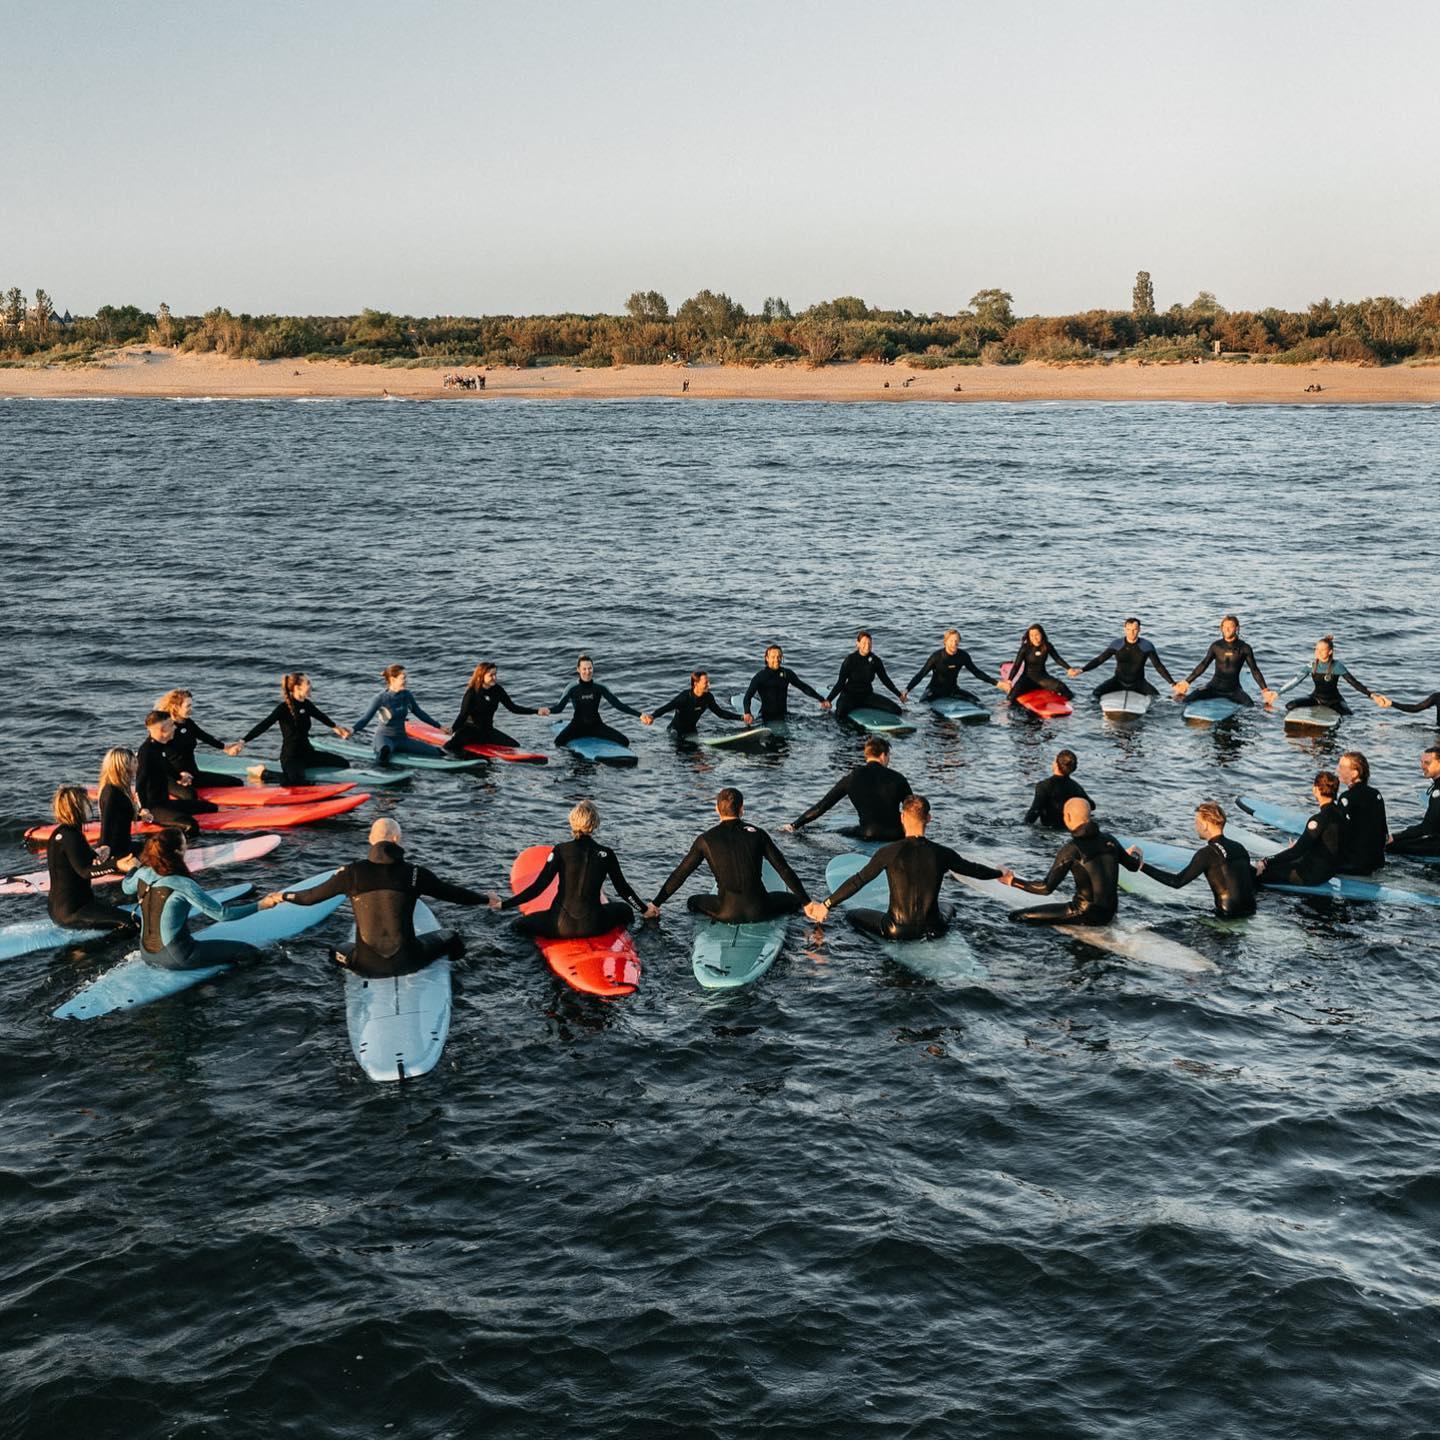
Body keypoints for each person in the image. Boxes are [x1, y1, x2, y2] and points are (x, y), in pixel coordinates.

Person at [263, 818, 485, 977]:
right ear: (397, 839)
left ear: (371, 840)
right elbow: (455, 894)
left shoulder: (350, 873)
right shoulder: (415, 873)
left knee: (335, 950)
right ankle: (458, 976)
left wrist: (281, 896)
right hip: (410, 961)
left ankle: (341, 984)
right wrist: (488, 899)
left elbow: (310, 897)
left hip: (365, 966)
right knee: (451, 937)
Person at [804, 794, 1010, 941]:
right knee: (949, 907)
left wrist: (826, 904)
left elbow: (859, 880)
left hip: (896, 929)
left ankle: (817, 939)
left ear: (902, 817)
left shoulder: (888, 852)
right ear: (929, 819)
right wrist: (1000, 873)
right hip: (934, 928)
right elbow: (974, 870)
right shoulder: (942, 853)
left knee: (851, 915)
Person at [490, 800, 656, 936]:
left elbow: (538, 888)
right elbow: (623, 889)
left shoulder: (560, 851)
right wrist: (644, 909)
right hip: (595, 925)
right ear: (595, 823)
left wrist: (504, 904)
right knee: (625, 910)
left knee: (516, 926)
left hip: (559, 926)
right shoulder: (607, 854)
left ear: (572, 822)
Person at [651, 787, 809, 922]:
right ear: (742, 809)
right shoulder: (759, 834)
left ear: (717, 809)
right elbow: (784, 870)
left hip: (725, 912)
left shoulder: (704, 840)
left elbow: (680, 874)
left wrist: (656, 903)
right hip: (760, 910)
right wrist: (808, 903)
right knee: (795, 901)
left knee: (692, 902)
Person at [122, 829, 261, 969]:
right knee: (248, 952)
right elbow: (223, 915)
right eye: (185, 843)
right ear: (178, 851)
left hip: (146, 954)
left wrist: (133, 868)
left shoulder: (141, 873)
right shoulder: (183, 884)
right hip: (177, 957)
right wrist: (261, 905)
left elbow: (126, 887)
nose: (187, 846)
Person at [1002, 797, 1139, 925]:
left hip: (1085, 913)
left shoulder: (1072, 849)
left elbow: (1046, 888)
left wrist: (1012, 881)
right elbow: (1133, 866)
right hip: (1110, 913)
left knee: (1016, 916)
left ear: (1067, 816)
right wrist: (1136, 853)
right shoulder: (1110, 840)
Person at [1127, 802, 1256, 918]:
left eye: (1197, 822)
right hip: (1250, 912)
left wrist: (1141, 865)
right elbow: (1249, 877)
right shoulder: (1239, 847)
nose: (1196, 827)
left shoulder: (1207, 853)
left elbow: (1177, 881)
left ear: (1205, 825)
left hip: (1227, 916)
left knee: (1163, 908)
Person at [44, 784, 138, 935]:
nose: (90, 807)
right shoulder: (71, 836)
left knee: (116, 903)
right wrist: (116, 865)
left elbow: (76, 861)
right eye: (86, 803)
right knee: (133, 923)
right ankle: (114, 950)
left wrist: (98, 854)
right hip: (74, 910)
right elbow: (84, 872)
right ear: (76, 808)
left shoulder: (61, 833)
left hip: (60, 907)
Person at [783, 735, 913, 842]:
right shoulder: (898, 778)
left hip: (868, 833)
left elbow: (822, 806)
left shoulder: (852, 778)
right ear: (884, 755)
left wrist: (795, 825)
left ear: (867, 755)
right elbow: (914, 809)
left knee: (832, 831)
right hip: (896, 834)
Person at [242, 672, 354, 784]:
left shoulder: (307, 704)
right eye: (308, 683)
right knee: (295, 782)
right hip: (291, 757)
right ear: (297, 687)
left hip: (308, 754)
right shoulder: (283, 708)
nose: (311, 686)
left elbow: (321, 717)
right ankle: (262, 772)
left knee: (343, 763)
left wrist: (337, 728)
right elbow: (264, 725)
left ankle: (303, 775)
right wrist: (243, 741)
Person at [136, 710, 217, 837]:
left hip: (166, 803)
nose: (175, 728)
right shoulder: (146, 752)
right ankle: (190, 847)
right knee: (191, 825)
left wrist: (180, 777)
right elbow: (139, 783)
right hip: (153, 808)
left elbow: (166, 768)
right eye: (171, 725)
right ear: (162, 730)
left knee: (211, 808)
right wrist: (143, 809)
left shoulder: (161, 747)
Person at [1256, 772, 1344, 887]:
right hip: (1330, 871)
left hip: (1310, 875)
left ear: (1316, 789)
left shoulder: (1318, 819)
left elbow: (1296, 852)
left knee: (1260, 872)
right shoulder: (1340, 813)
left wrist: (1266, 860)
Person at [352, 664, 449, 766]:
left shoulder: (406, 695)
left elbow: (420, 713)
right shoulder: (380, 698)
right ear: (392, 679)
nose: (406, 681)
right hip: (385, 739)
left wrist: (440, 727)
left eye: (405, 678)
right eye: (403, 678)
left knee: (439, 753)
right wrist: (352, 730)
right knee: (384, 755)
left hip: (402, 739)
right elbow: (365, 719)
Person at [1172, 615, 1278, 706]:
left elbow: (1254, 670)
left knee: (1251, 706)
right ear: (1221, 628)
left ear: (1236, 628)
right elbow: (1203, 664)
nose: (1227, 629)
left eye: (1230, 626)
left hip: (1233, 690)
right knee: (1186, 700)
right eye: (1224, 626)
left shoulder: (1244, 648)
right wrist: (1187, 682)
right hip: (1213, 687)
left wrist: (1265, 691)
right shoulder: (1216, 646)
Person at [154, 689, 244, 791]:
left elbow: (205, 737)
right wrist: (177, 776)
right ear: (176, 707)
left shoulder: (188, 723)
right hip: (176, 778)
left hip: (194, 775)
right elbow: (157, 754)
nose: (191, 709)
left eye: (191, 705)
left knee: (237, 782)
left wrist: (225, 747)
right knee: (191, 795)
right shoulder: (167, 727)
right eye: (188, 706)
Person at [447, 662, 549, 752]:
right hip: (470, 730)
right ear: (481, 676)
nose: (495, 678)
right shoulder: (472, 693)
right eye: (491, 675)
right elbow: (463, 715)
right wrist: (453, 729)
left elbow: (513, 708)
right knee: (449, 748)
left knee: (515, 746)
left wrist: (536, 711)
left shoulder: (497, 690)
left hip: (487, 731)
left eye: (495, 674)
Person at [551, 655, 644, 749]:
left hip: (596, 726)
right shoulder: (572, 688)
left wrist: (640, 715)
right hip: (576, 727)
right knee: (558, 742)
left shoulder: (599, 687)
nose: (587, 672)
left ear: (593, 668)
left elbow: (618, 704)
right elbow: (559, 708)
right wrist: (546, 710)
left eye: (590, 668)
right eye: (584, 669)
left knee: (625, 741)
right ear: (578, 669)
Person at [1068, 618, 1176, 698]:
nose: (1131, 633)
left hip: (1139, 683)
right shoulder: (1117, 644)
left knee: (1157, 698)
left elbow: (1158, 666)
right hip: (1118, 681)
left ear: (1139, 629)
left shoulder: (1146, 646)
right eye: (1129, 629)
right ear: (1124, 629)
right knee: (1096, 694)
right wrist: (1082, 670)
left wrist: (1172, 684)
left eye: (1134, 629)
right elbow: (1100, 659)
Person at [1276, 636, 1384, 714]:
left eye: (1322, 650)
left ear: (1330, 652)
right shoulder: (1311, 666)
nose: (1318, 652)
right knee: (1290, 706)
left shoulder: (1337, 666)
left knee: (1348, 714)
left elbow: (1354, 683)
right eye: (1316, 649)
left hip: (1334, 700)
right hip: (1316, 698)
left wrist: (1372, 695)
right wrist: (1277, 693)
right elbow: (1295, 681)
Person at [741, 644, 830, 725]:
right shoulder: (760, 677)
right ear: (767, 658)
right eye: (773, 657)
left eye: (779, 657)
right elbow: (748, 697)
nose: (776, 659)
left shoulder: (786, 674)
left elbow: (803, 687)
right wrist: (747, 713)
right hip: (766, 717)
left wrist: (821, 699)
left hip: (784, 715)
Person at [826, 630, 905, 719]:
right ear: (858, 644)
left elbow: (885, 680)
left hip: (867, 696)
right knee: (839, 714)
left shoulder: (875, 661)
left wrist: (899, 695)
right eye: (864, 643)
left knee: (896, 710)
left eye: (869, 643)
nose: (867, 646)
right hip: (849, 696)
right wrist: (829, 700)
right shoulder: (850, 660)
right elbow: (840, 683)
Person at [905, 629, 996, 703]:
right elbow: (921, 674)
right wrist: (906, 690)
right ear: (945, 642)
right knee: (923, 704)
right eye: (951, 640)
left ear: (959, 641)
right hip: (934, 691)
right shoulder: (936, 657)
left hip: (952, 690)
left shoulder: (963, 656)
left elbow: (977, 673)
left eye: (956, 640)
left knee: (976, 701)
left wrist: (997, 683)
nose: (954, 643)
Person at [642, 670, 745, 736]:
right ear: (696, 684)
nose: (709, 684)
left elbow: (720, 713)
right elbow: (666, 708)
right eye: (706, 683)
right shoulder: (684, 697)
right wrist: (652, 716)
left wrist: (741, 717)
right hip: (675, 732)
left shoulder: (708, 697)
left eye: (709, 682)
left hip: (692, 731)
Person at [1335, 751, 1387, 873]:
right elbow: (1383, 831)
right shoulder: (1376, 794)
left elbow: (1338, 833)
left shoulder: (1346, 797)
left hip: (1352, 864)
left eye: (1341, 767)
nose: (1337, 770)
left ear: (1354, 773)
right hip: (1377, 862)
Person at [96, 746, 146, 866]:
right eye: (134, 762)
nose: (138, 765)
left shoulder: (120, 788)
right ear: (124, 766)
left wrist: (140, 816)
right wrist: (105, 846)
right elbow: (107, 821)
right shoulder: (111, 792)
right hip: (117, 850)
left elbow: (121, 815)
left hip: (125, 845)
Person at [1000, 624, 1074, 705]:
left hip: (1043, 678)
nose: (1034, 638)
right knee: (1010, 698)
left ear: (1042, 634)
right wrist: (1010, 680)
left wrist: (1069, 668)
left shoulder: (1047, 646)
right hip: (1027, 679)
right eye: (1031, 635)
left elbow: (1057, 659)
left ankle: (1069, 705)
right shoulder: (1025, 648)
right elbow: (1017, 665)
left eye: (1037, 635)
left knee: (1065, 690)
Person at [1386, 747, 1440, 859]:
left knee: (1390, 846)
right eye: (1421, 762)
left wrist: (1395, 836)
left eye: (1427, 763)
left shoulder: (1438, 792)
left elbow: (1427, 828)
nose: (1422, 766)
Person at [1023, 750, 1091, 828]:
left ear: (1056, 764)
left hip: (1049, 828)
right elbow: (1091, 805)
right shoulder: (1076, 787)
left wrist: (1024, 824)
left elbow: (1034, 812)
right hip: (1069, 826)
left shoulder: (1043, 786)